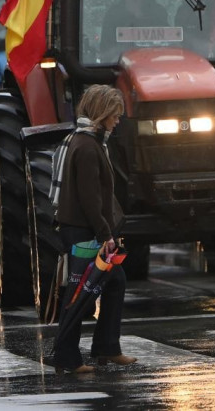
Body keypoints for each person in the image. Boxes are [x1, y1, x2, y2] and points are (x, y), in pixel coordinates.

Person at [52, 85, 137, 373]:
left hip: (80, 229)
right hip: (83, 231)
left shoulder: (84, 140)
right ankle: (68, 357)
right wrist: (106, 236)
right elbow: (91, 200)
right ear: (101, 113)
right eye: (114, 115)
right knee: (79, 294)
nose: (117, 120)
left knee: (110, 283)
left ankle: (105, 348)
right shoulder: (88, 147)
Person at [100, 0, 169, 62]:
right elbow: (105, 50)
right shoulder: (112, 15)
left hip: (155, 61)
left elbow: (167, 39)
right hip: (122, 64)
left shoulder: (157, 11)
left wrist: (138, 15)